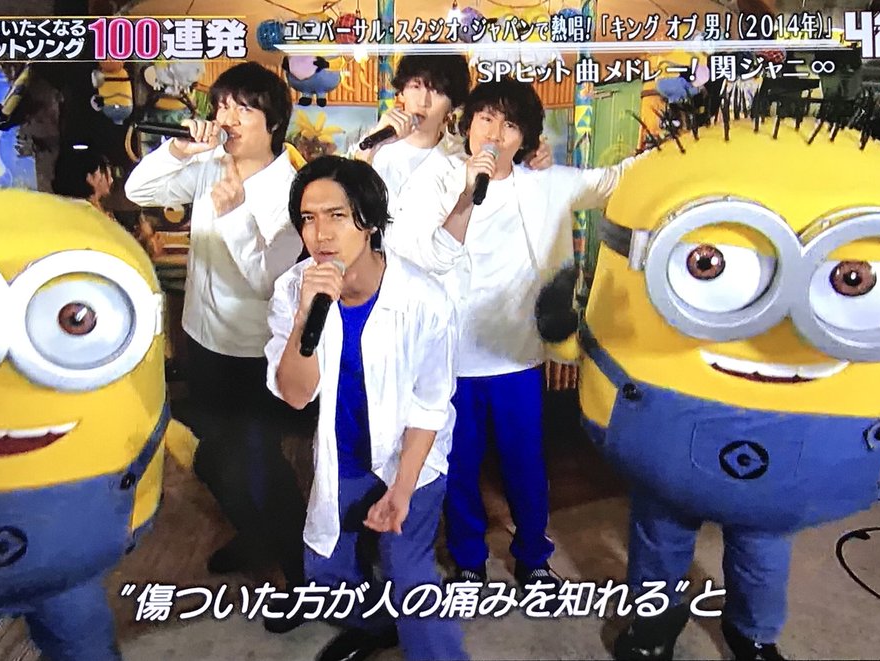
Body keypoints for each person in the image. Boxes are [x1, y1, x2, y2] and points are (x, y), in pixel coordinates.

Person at [388, 77, 640, 589]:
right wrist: (464, 194)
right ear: (468, 124)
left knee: (525, 465)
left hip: (515, 356)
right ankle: (468, 559)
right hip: (449, 356)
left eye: (509, 125)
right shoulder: (433, 181)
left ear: (524, 138)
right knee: (458, 465)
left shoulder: (545, 184)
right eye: (486, 118)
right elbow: (408, 248)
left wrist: (688, 148)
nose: (494, 133)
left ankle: (533, 557)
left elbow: (613, 180)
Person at [124, 62, 309, 619]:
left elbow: (267, 280)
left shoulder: (293, 189)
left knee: (260, 465)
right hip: (202, 339)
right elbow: (138, 189)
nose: (227, 117)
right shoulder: (209, 164)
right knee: (213, 458)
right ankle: (255, 537)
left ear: (272, 122)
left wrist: (233, 215)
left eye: (243, 108)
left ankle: (300, 575)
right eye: (223, 105)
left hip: (254, 353)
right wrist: (180, 152)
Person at [267, 155, 466, 661]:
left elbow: (430, 405)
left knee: (408, 573)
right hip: (344, 456)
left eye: (337, 215)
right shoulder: (294, 290)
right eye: (308, 219)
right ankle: (376, 627)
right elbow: (295, 394)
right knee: (325, 570)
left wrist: (401, 490)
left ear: (371, 221)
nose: (321, 234)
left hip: (410, 457)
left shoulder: (424, 298)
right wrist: (305, 318)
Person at [352, 54, 552, 219]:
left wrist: (533, 155)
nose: (423, 101)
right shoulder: (369, 146)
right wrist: (369, 150)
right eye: (415, 86)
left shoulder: (463, 158)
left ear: (453, 105)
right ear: (401, 92)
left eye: (437, 92)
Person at [52, 146, 114, 214]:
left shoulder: (57, 208)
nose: (111, 181)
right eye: (108, 176)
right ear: (92, 177)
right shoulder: (90, 214)